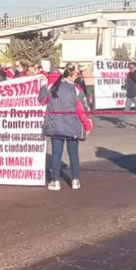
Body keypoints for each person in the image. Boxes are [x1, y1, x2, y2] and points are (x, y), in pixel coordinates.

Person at [40, 62, 91, 191]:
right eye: (79, 72)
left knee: (56, 154)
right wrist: (87, 125)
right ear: (74, 73)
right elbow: (83, 109)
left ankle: (55, 181)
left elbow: (41, 100)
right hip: (72, 126)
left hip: (55, 125)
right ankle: (75, 180)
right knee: (73, 154)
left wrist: (42, 84)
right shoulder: (76, 89)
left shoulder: (51, 86)